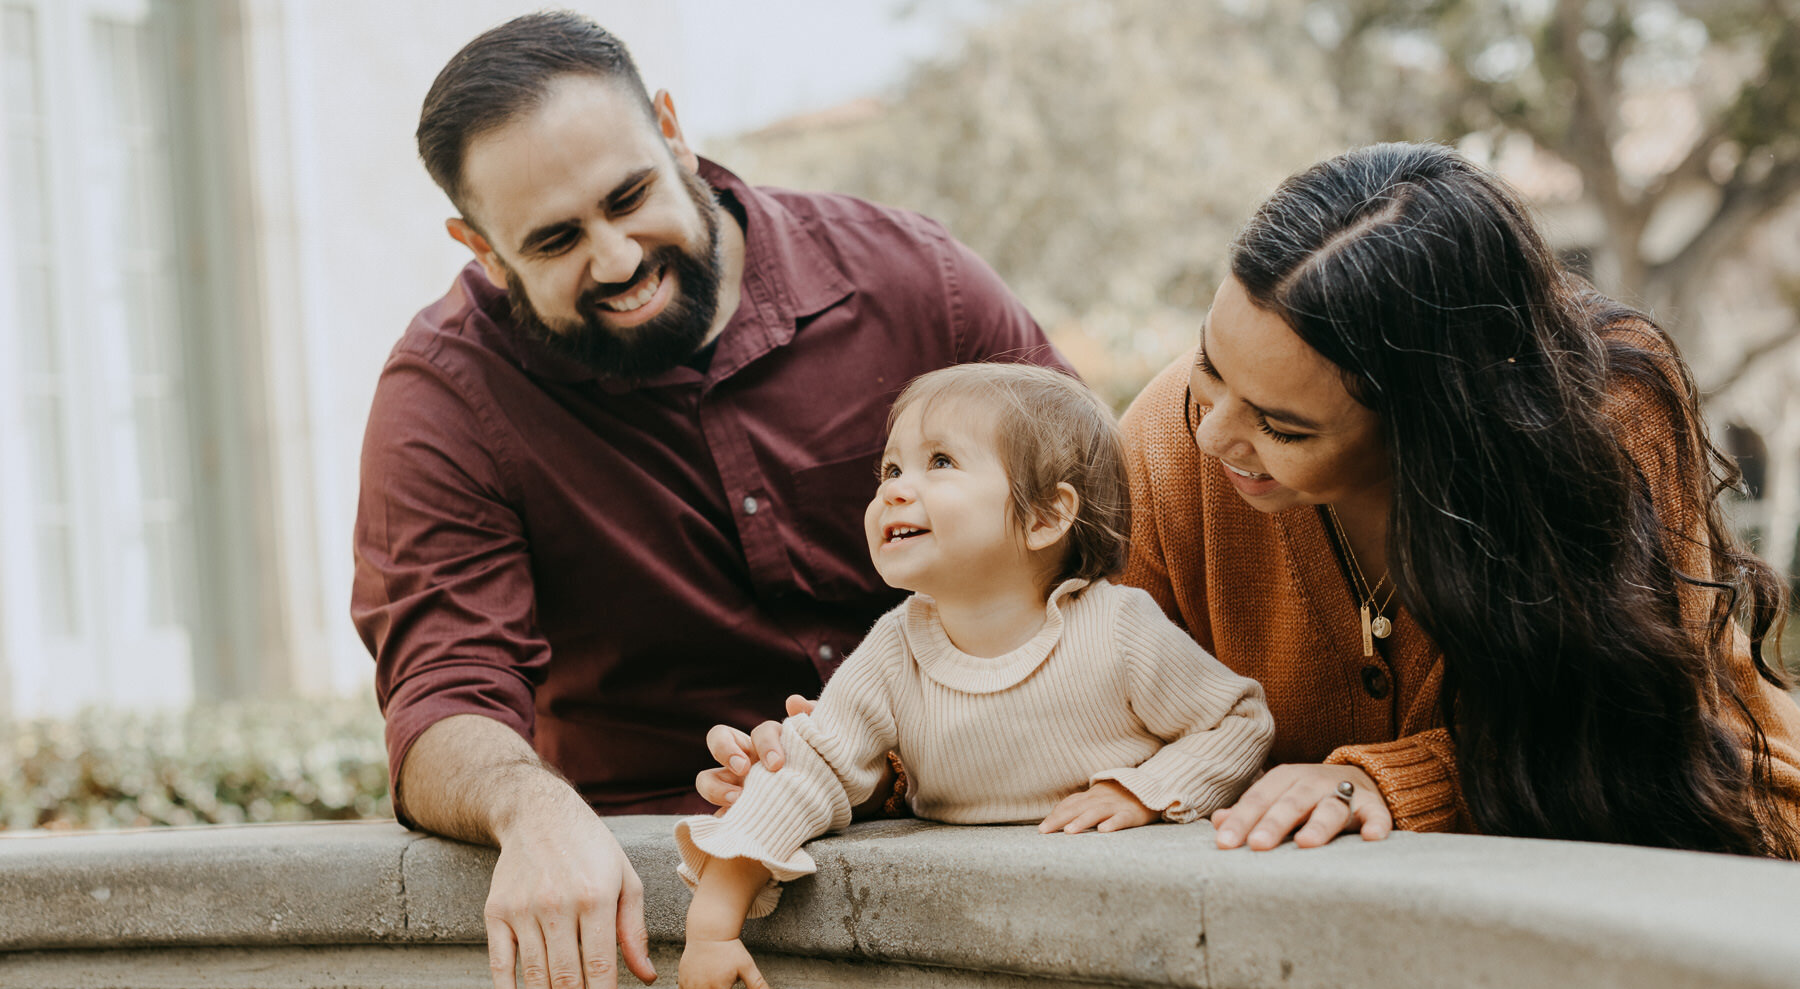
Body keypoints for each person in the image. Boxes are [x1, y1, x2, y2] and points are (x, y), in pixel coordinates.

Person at [701, 143, 1800, 860]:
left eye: (1284, 426)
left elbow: (1646, 732)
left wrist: (1393, 776)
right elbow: (1058, 697)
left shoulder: (1604, 420)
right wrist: (877, 762)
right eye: (1211, 368)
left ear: (1437, 430)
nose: (1217, 431)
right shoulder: (1177, 436)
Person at [351, 13, 1071, 989]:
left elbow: (1100, 537)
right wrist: (532, 809)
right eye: (554, 241)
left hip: (979, 808)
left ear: (674, 134)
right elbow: (440, 696)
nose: (615, 258)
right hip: (667, 881)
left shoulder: (915, 284)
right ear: (482, 250)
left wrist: (929, 745)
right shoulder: (446, 395)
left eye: (629, 196)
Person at [675, 364, 1274, 989]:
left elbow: (1238, 721)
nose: (897, 490)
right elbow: (808, 769)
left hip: (1127, 934)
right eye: (890, 470)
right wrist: (712, 924)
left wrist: (1145, 791)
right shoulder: (896, 648)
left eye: (939, 462)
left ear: (1047, 515)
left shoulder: (1118, 628)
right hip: (969, 936)